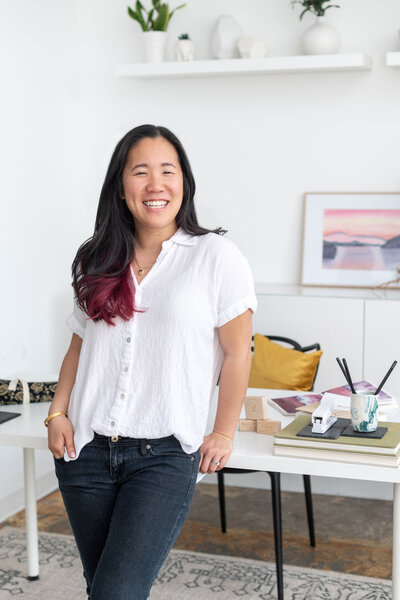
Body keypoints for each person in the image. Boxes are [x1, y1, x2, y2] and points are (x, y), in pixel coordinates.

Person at [46, 124, 257, 600]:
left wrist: (223, 431)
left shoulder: (216, 257)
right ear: (121, 188)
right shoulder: (97, 258)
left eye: (168, 170)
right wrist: (57, 412)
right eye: (141, 172)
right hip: (86, 452)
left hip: (161, 457)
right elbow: (79, 344)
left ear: (184, 183)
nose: (156, 184)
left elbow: (236, 352)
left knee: (116, 592)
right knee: (101, 588)